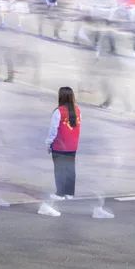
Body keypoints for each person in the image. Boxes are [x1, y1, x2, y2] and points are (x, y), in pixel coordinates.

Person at [40, 87, 80, 216]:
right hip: (72, 146)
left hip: (60, 146)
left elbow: (53, 130)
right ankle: (69, 193)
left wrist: (48, 143)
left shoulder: (59, 111)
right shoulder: (77, 110)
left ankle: (60, 193)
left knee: (59, 169)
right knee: (70, 169)